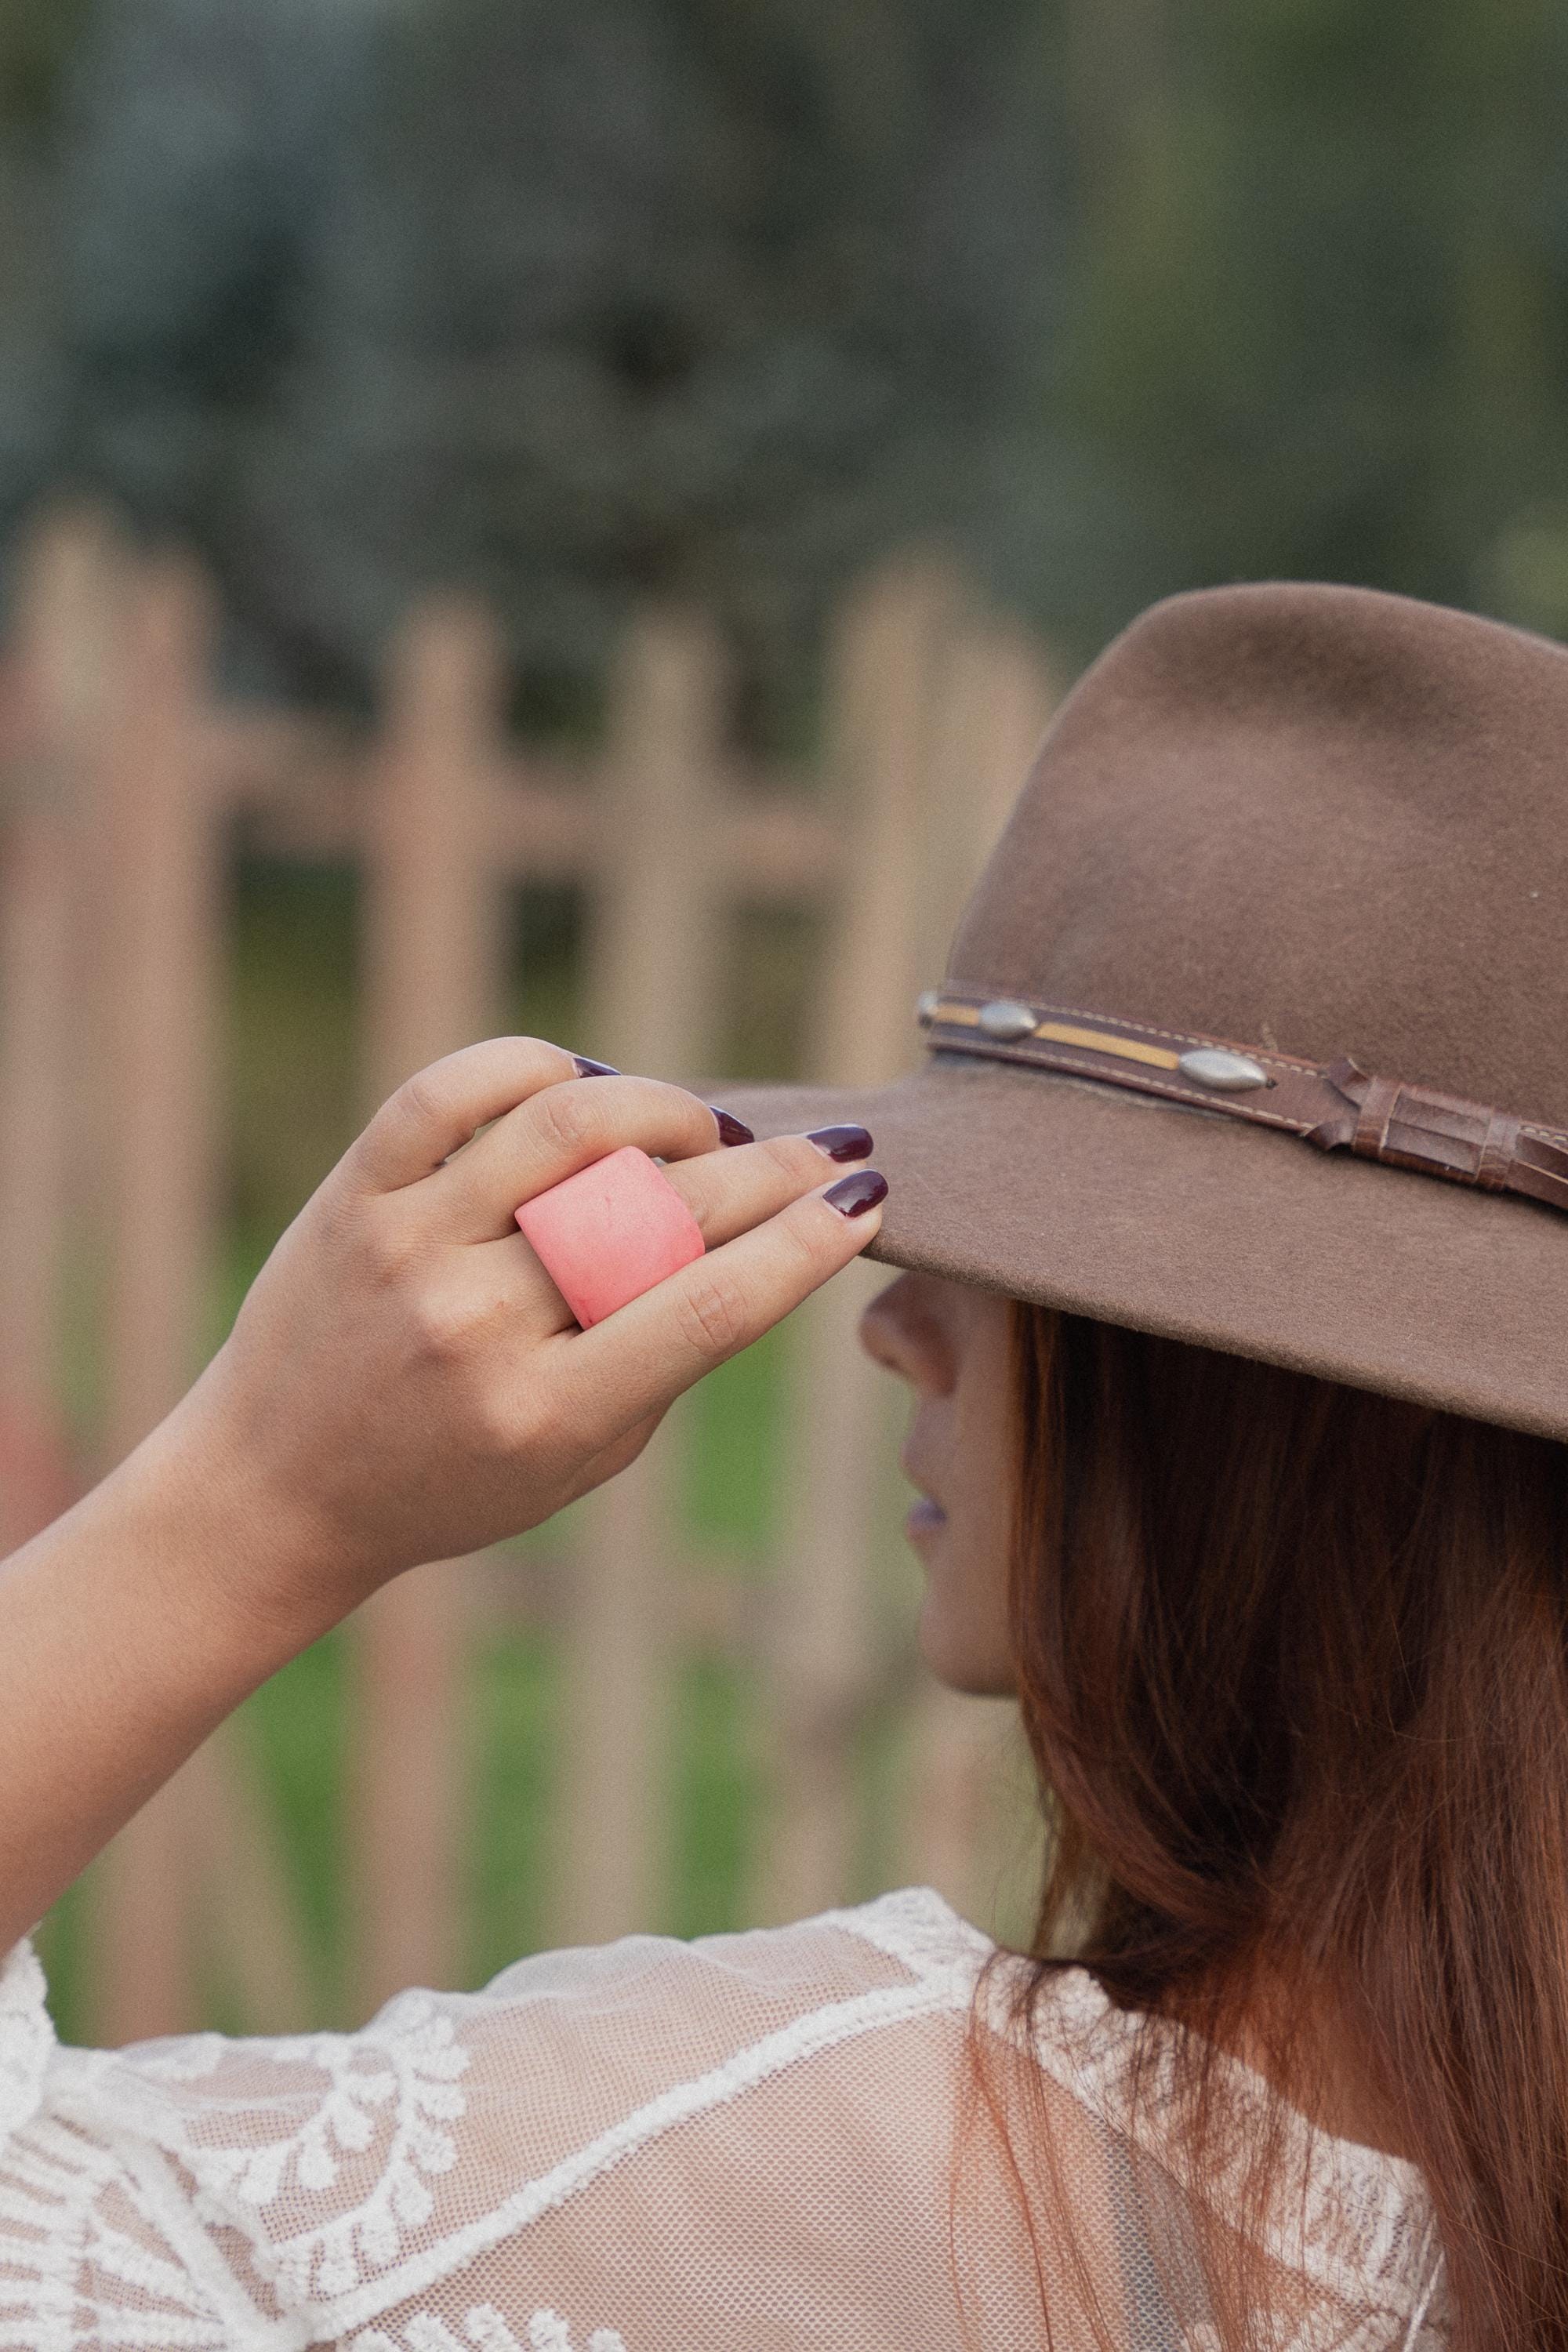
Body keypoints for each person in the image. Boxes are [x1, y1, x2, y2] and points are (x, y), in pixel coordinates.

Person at [0, 578, 1560, 2349]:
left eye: (1049, 1259)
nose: (899, 1321)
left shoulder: (808, 2173)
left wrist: (248, 1511)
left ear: (1297, 1418)